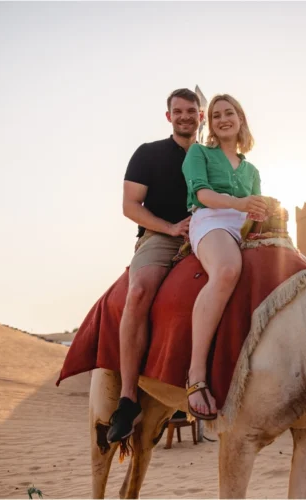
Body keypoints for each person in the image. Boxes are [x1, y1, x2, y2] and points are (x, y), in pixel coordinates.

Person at [106, 88, 202, 442]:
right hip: (160, 237)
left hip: (207, 238)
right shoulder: (148, 154)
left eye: (191, 110)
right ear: (169, 117)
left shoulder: (210, 157)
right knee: (139, 291)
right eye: (178, 111)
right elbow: (131, 205)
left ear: (200, 116)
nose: (185, 116)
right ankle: (128, 398)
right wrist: (171, 228)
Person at [182, 94, 268, 419]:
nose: (222, 119)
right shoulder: (199, 153)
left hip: (244, 225)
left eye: (228, 113)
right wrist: (240, 203)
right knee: (229, 270)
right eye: (216, 115)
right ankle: (196, 374)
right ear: (211, 124)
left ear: (240, 118)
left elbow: (256, 208)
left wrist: (262, 209)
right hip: (211, 219)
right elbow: (202, 193)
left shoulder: (252, 170)